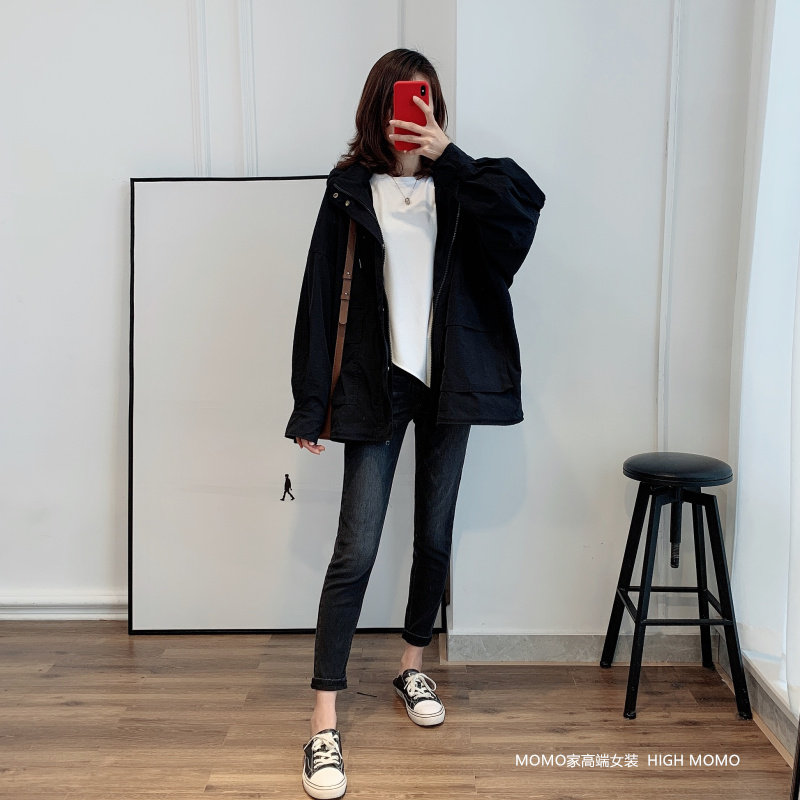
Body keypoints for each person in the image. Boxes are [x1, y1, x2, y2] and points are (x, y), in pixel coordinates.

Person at [285, 48, 545, 799]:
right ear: (381, 105)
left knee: (435, 535)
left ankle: (412, 666)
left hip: (447, 382)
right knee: (356, 549)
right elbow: (315, 300)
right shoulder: (347, 190)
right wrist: (309, 402)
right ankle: (323, 720)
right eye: (405, 98)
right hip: (377, 384)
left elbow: (522, 214)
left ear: (435, 105)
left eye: (427, 98)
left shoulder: (460, 185)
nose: (415, 110)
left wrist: (448, 154)